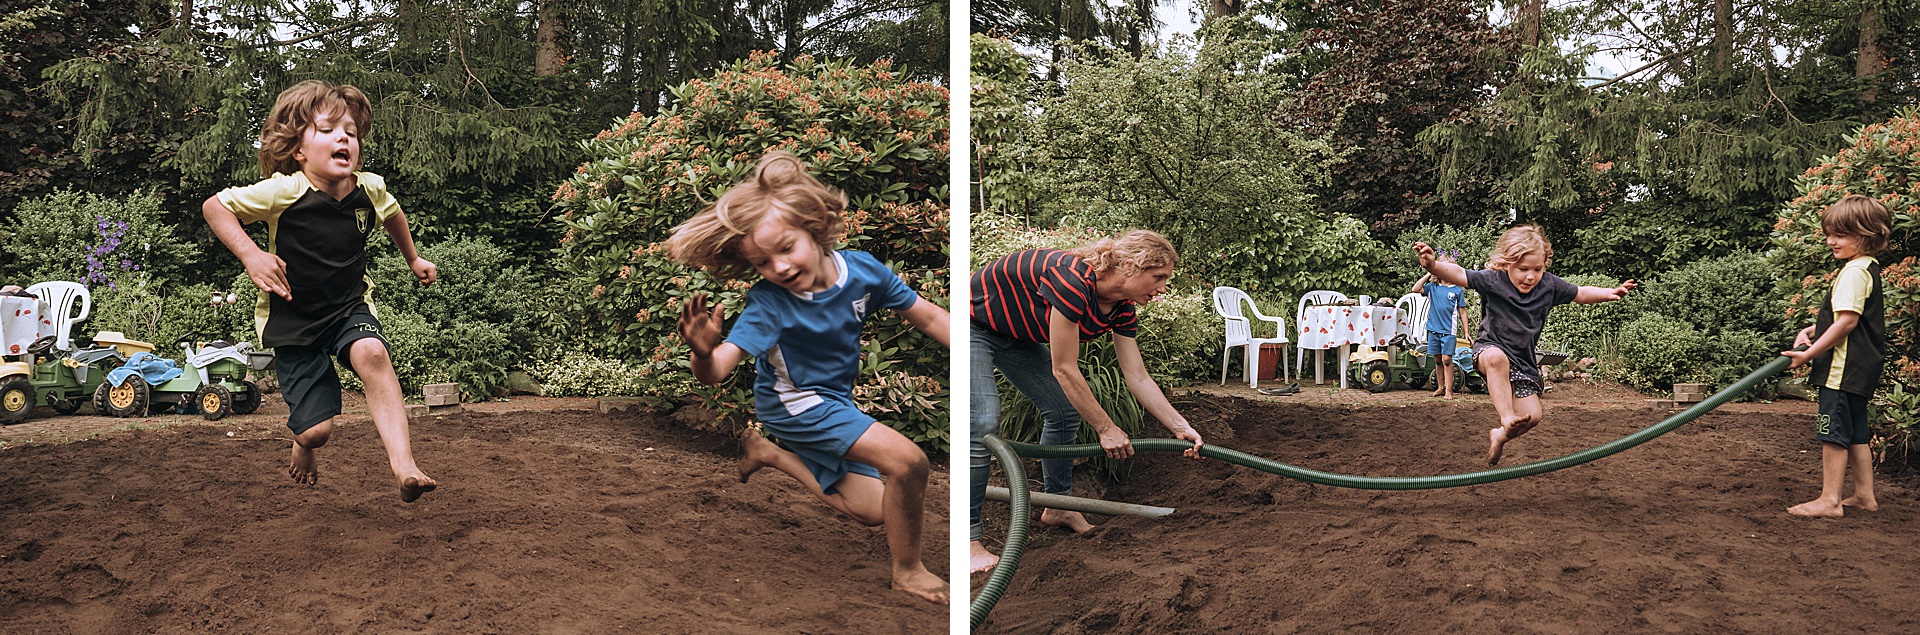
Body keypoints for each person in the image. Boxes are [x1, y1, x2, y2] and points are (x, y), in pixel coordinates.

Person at [666, 151, 950, 604]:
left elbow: (931, 317)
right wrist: (702, 350)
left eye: (785, 248)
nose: (778, 267)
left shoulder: (863, 271)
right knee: (909, 462)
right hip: (793, 404)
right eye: (762, 263)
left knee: (877, 509)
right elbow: (716, 372)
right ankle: (908, 571)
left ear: (815, 229)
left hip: (832, 401)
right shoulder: (769, 304)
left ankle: (768, 454)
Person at [201, 80, 438, 502]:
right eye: (327, 130)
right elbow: (215, 206)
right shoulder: (284, 190)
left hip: (349, 306)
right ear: (298, 150)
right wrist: (252, 255)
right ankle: (304, 441)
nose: (343, 136)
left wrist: (413, 259)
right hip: (293, 320)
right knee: (317, 430)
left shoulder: (371, 189)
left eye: (349, 130)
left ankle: (404, 466)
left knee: (373, 353)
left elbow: (394, 214)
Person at [968, 231, 1206, 573]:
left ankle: (1059, 505)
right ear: (1128, 266)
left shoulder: (1121, 309)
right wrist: (1106, 428)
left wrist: (1180, 427)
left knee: (1064, 411)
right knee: (982, 425)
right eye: (1159, 277)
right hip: (972, 324)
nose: (1163, 288)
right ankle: (968, 541)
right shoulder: (1072, 281)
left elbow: (1136, 375)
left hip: (1015, 337)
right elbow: (1064, 368)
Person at [1415, 226, 1635, 465]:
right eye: (1523, 269)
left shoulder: (1548, 286)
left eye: (1537, 269)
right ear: (1507, 263)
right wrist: (1432, 266)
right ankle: (1506, 416)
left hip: (1522, 361)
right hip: (1489, 349)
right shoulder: (1493, 280)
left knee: (1533, 416)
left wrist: (1609, 292)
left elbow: (1580, 293)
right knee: (1497, 359)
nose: (1530, 276)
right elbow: (1459, 274)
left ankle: (1499, 435)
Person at [1781, 194, 1892, 518]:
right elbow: (1851, 317)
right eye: (1829, 233)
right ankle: (1864, 496)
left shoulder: (1853, 272)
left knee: (1832, 433)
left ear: (1867, 234)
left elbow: (1847, 322)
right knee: (1856, 433)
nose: (1831, 241)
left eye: (1840, 234)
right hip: (1862, 367)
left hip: (1841, 370)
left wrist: (1808, 354)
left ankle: (1829, 500)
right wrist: (1814, 329)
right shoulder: (1867, 267)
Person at [1410, 248, 1469, 398]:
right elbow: (1415, 288)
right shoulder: (1432, 288)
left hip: (1448, 331)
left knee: (1447, 359)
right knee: (1437, 359)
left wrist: (1467, 332)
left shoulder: (1457, 290)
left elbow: (1462, 311)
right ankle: (1440, 387)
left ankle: (1449, 390)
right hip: (1433, 329)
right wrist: (1430, 272)